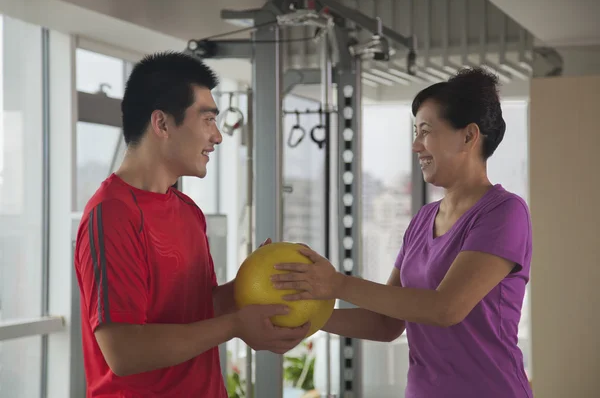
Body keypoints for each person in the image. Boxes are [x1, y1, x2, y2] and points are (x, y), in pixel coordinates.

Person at [271, 67, 534, 397]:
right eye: (415, 132)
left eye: (425, 131)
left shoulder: (504, 212)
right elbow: (386, 324)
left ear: (468, 136)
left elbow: (445, 309)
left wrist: (337, 284)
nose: (415, 145)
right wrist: (303, 317)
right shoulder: (422, 220)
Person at [73, 51, 309, 398]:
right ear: (162, 124)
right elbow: (124, 351)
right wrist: (234, 326)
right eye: (207, 119)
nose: (217, 136)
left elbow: (199, 309)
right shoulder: (112, 215)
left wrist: (255, 280)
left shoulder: (187, 210)